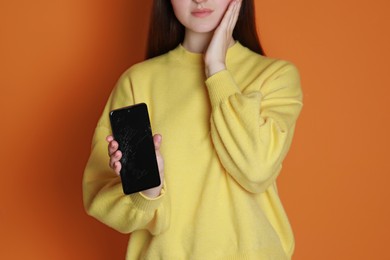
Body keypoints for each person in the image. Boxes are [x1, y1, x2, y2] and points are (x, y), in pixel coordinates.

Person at [82, 0, 303, 259]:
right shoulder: (138, 82)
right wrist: (148, 190)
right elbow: (100, 194)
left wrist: (216, 69)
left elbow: (256, 169)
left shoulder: (274, 76)